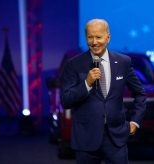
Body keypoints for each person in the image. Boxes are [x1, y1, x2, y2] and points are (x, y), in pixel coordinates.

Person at [60, 18, 146, 164]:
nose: (94, 42)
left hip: (116, 138)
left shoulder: (123, 62)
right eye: (90, 37)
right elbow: (66, 100)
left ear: (108, 37)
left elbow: (140, 94)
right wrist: (87, 83)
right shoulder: (74, 64)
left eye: (98, 37)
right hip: (86, 140)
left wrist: (135, 122)